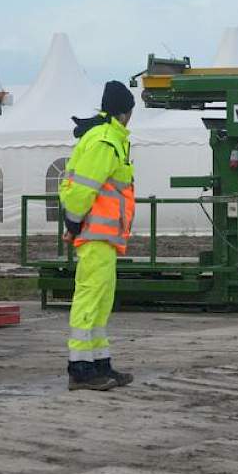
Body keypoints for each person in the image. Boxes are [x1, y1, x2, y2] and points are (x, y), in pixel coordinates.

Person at [59, 80, 137, 391]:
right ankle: (80, 369)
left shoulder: (111, 139)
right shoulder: (106, 142)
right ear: (125, 113)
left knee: (100, 301)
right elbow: (82, 190)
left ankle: (99, 364)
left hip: (104, 236)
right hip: (96, 234)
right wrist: (75, 224)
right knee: (90, 297)